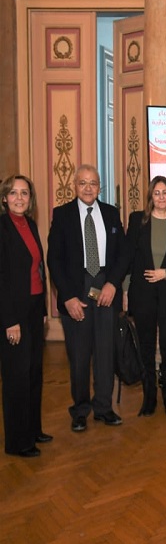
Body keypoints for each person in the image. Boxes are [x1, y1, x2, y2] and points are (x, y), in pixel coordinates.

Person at [48, 164, 130, 432]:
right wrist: (68, 297)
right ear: (75, 186)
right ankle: (80, 410)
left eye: (92, 183)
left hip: (106, 287)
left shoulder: (111, 213)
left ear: (99, 187)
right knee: (80, 355)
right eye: (82, 183)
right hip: (77, 290)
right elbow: (54, 261)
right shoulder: (61, 215)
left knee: (106, 352)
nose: (87, 188)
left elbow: (123, 255)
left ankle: (104, 408)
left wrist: (113, 284)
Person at [126, 176, 166, 418]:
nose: (161, 197)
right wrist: (124, 290)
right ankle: (149, 398)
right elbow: (128, 259)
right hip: (142, 293)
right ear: (150, 196)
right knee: (145, 348)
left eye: (165, 193)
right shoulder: (137, 221)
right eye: (157, 193)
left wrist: (165, 273)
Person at [0, 176, 50, 457]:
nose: (20, 198)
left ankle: (33, 430)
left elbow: (38, 270)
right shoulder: (2, 227)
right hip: (12, 313)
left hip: (32, 308)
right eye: (14, 193)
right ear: (5, 197)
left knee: (33, 373)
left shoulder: (29, 224)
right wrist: (10, 321)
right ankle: (18, 441)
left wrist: (41, 310)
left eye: (25, 193)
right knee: (16, 377)